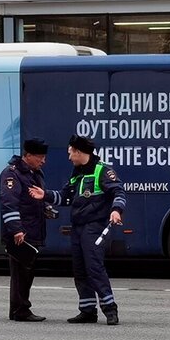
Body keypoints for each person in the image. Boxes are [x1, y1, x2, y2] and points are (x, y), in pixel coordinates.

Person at [58, 134, 125, 325]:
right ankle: (87, 310)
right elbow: (65, 197)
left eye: (70, 152)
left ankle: (110, 309)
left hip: (94, 227)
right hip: (78, 227)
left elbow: (118, 191)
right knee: (79, 270)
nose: (69, 157)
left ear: (79, 152)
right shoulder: (77, 172)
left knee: (94, 268)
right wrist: (43, 196)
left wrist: (116, 210)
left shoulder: (102, 171)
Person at [0, 138, 60, 322]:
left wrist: (46, 210)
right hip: (22, 234)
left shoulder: (35, 173)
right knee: (21, 273)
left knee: (27, 272)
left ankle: (19, 308)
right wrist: (16, 230)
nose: (43, 161)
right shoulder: (12, 174)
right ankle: (20, 310)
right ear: (28, 156)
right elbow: (9, 203)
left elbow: (33, 201)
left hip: (33, 230)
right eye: (40, 157)